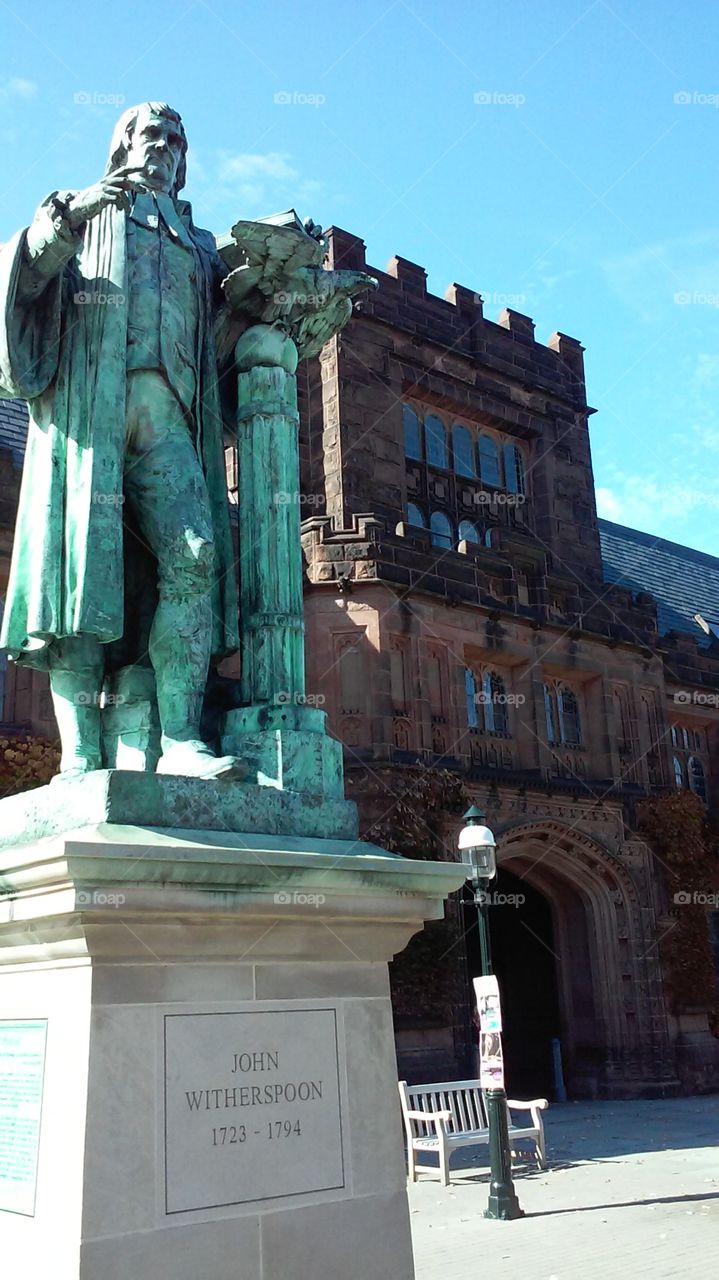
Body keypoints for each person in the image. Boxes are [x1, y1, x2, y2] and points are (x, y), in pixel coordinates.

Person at [0, 102, 242, 779]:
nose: (162, 148)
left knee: (195, 556)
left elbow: (224, 336)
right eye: (150, 136)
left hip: (169, 420)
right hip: (89, 414)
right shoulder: (86, 212)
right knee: (80, 575)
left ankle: (181, 739)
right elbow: (27, 277)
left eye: (175, 140)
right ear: (122, 146)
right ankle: (79, 756)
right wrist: (67, 218)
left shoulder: (199, 246)